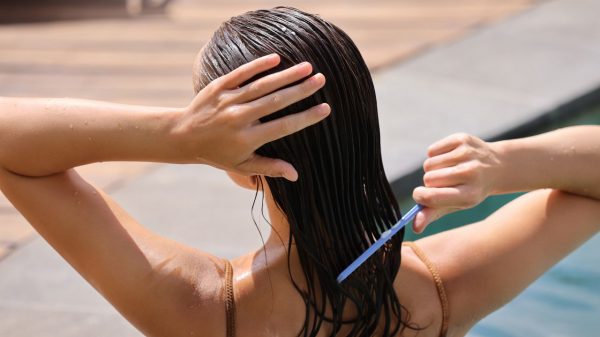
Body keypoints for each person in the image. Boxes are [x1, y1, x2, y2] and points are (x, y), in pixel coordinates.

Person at [0, 6, 597, 337]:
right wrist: (506, 162)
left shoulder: (201, 311)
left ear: (236, 164)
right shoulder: (446, 295)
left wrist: (175, 136)